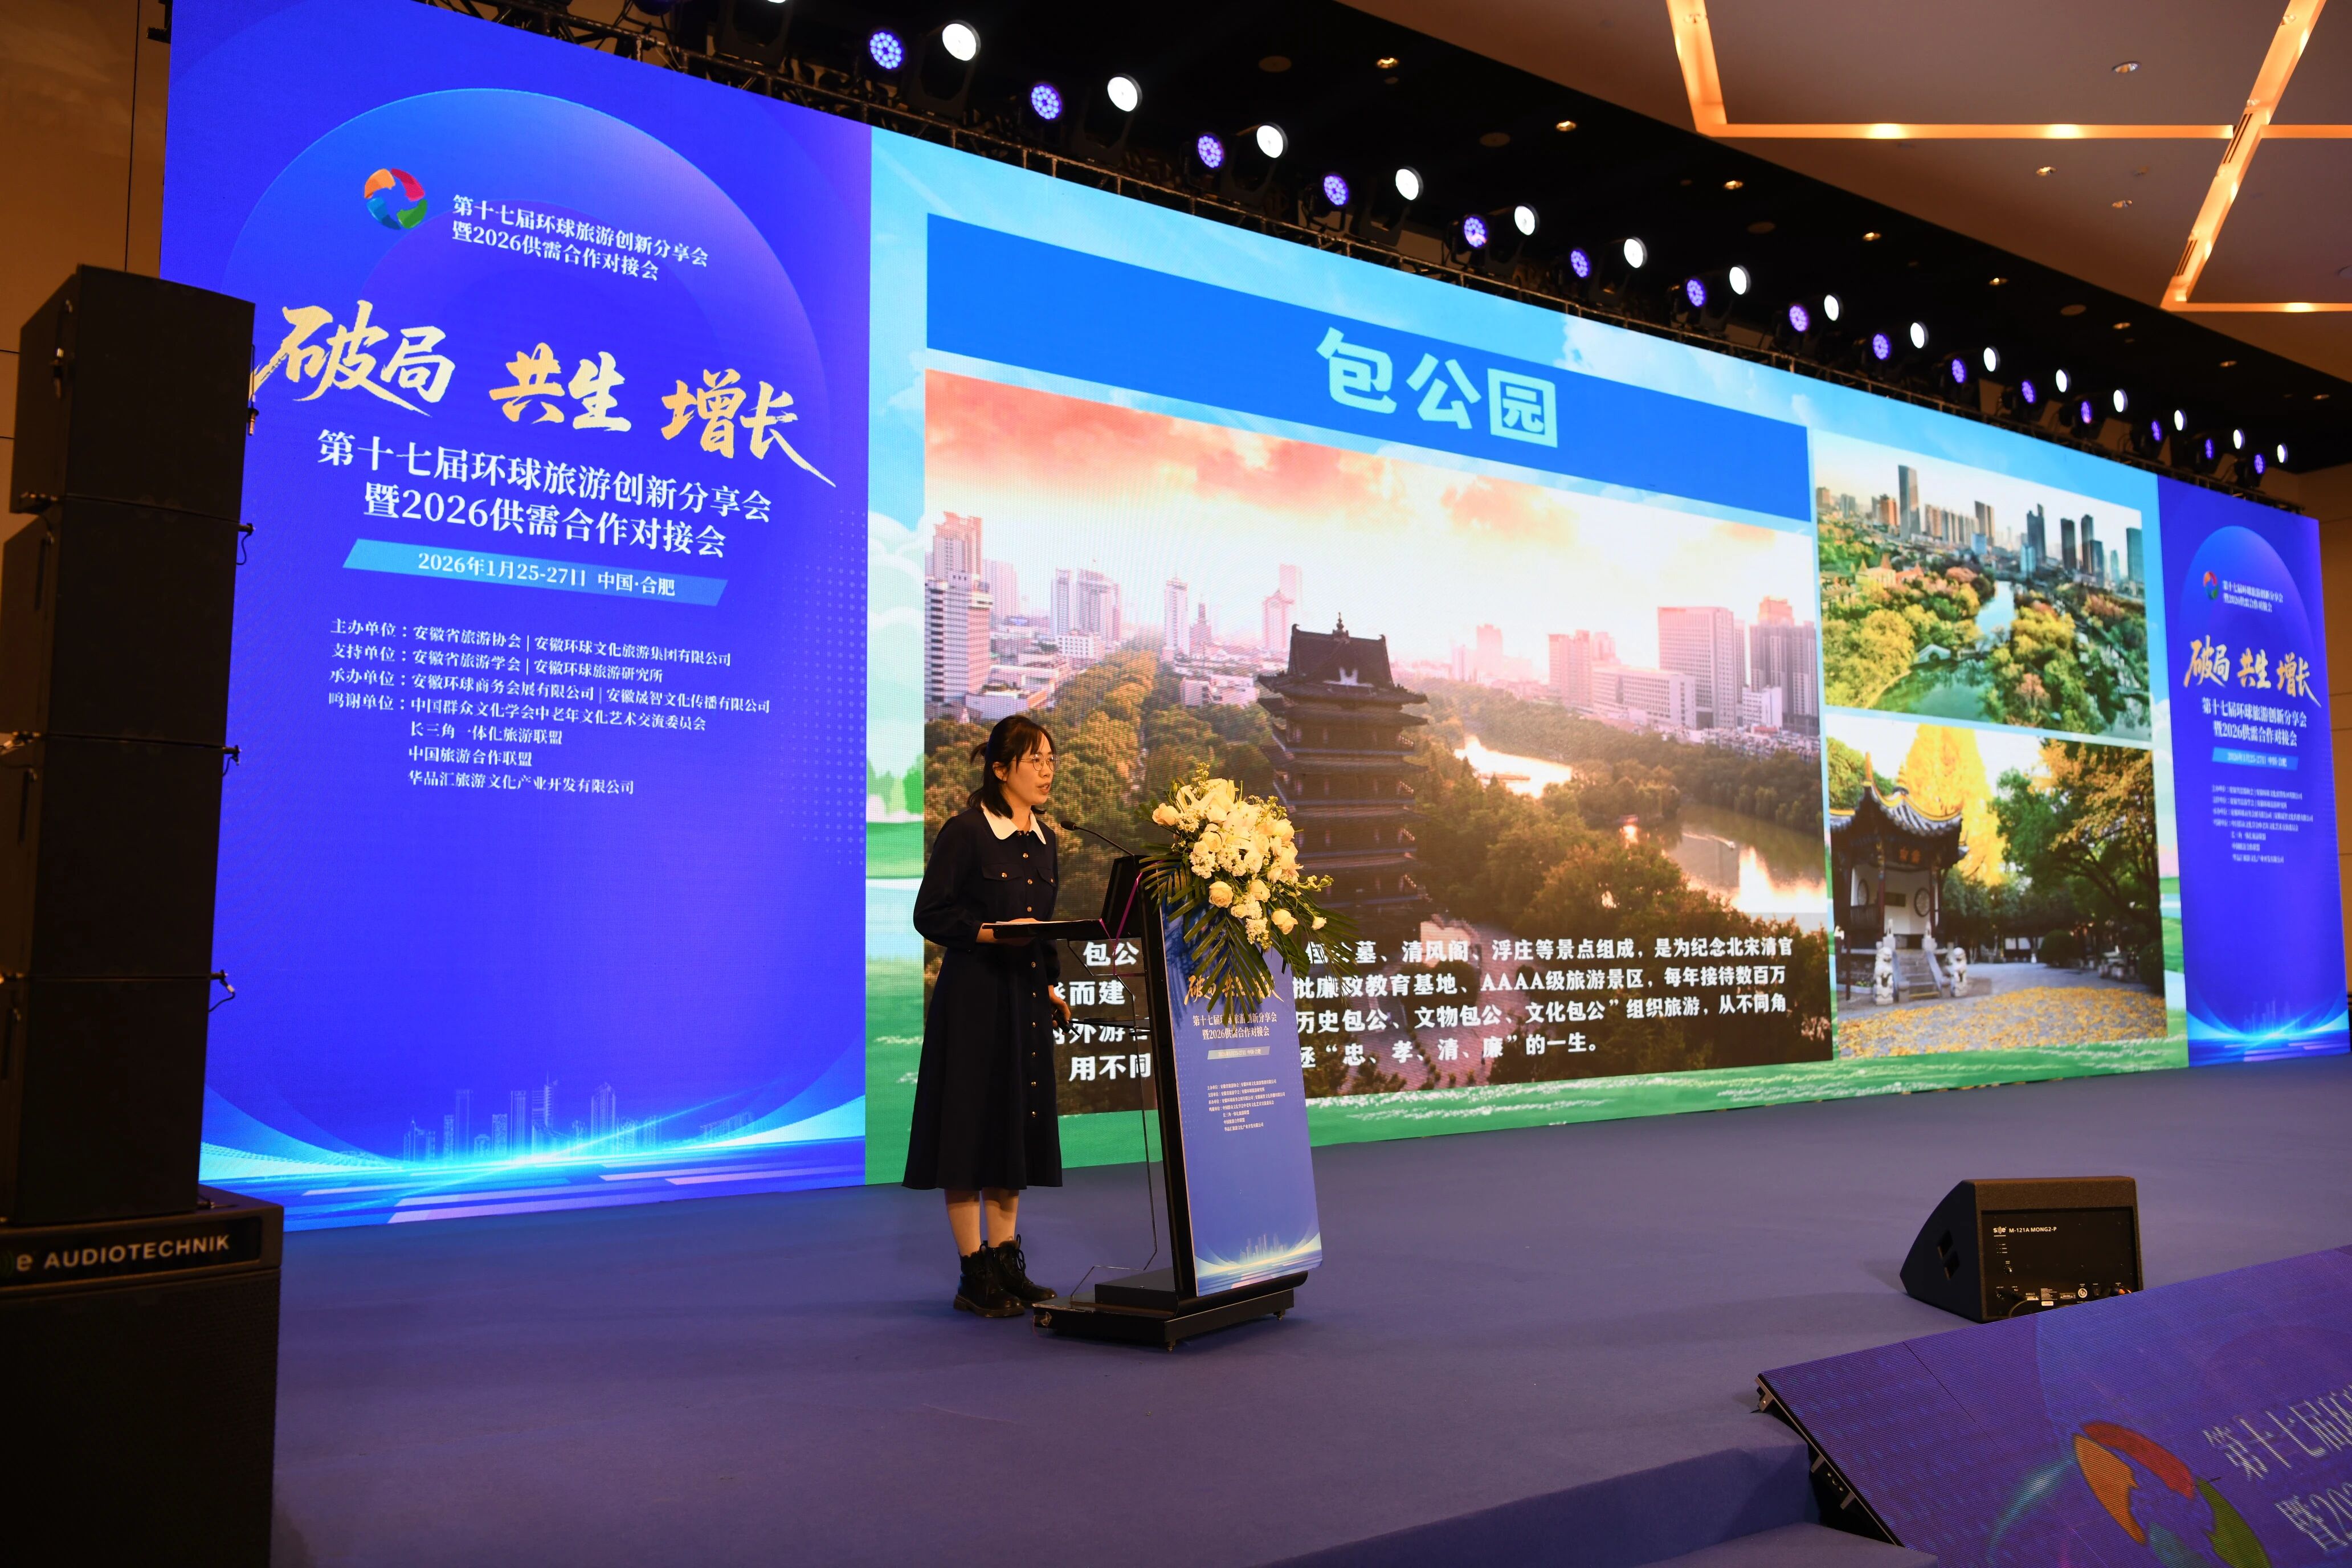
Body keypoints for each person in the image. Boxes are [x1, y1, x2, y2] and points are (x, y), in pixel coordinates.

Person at [904, 713, 1072, 1317]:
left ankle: (1005, 1262)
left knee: (1013, 1127)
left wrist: (1049, 985)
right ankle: (973, 1274)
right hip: (974, 1000)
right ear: (1000, 769)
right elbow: (930, 914)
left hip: (1024, 999)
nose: (1047, 771)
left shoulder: (1047, 840)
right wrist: (987, 932)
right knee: (968, 1129)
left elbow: (1040, 929)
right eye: (1035, 761)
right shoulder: (967, 832)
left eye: (1051, 760)